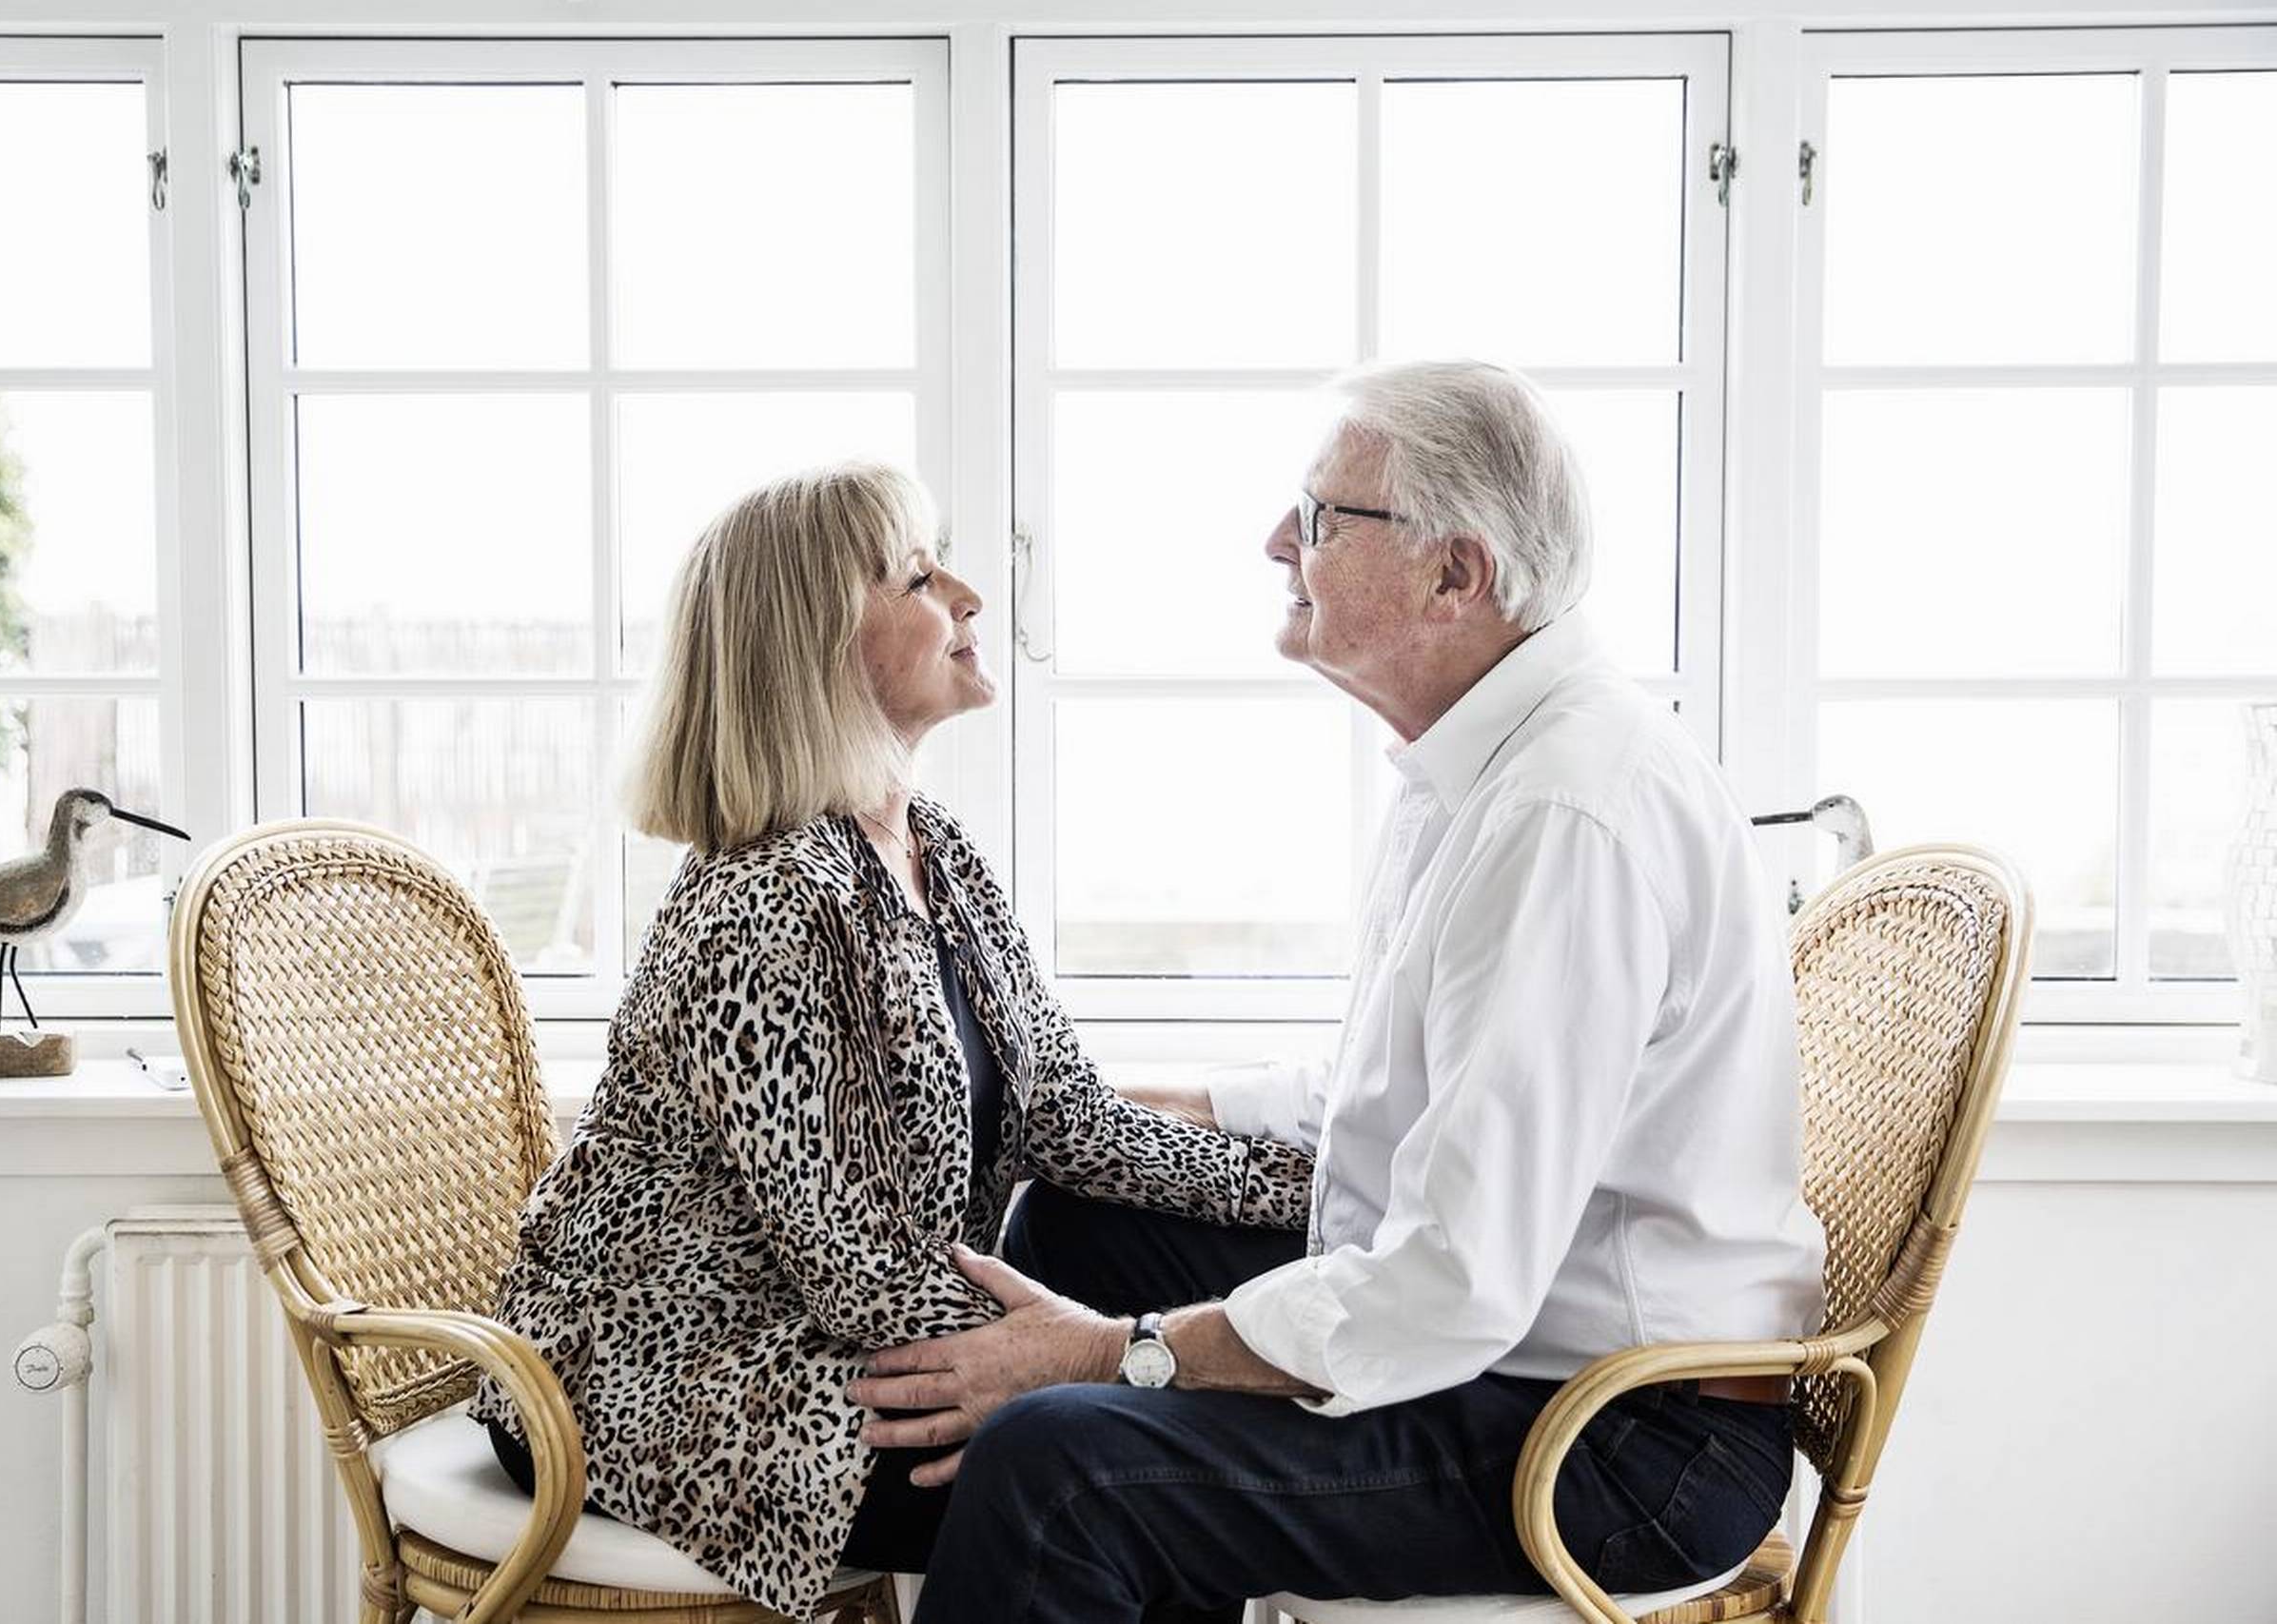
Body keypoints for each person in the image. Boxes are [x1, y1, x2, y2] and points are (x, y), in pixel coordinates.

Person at [851, 362, 1831, 1624]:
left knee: (1058, 1468)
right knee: (1077, 1220)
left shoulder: (1564, 816)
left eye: (1321, 517)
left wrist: (1112, 1351)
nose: (1278, 541)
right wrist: (1145, 1111)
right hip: (1521, 1346)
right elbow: (1409, 1088)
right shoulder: (1473, 763)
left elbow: (1452, 1286)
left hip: (1615, 1437)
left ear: (1454, 573)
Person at [466, 461, 1313, 1622]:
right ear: (817, 649)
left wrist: (1322, 1196)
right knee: (1144, 1468)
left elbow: (1070, 1118)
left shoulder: (934, 851)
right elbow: (856, 1264)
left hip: (833, 1336)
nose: (967, 595)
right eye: (918, 577)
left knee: (1160, 1405)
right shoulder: (761, 904)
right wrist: (1117, 1354)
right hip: (670, 1381)